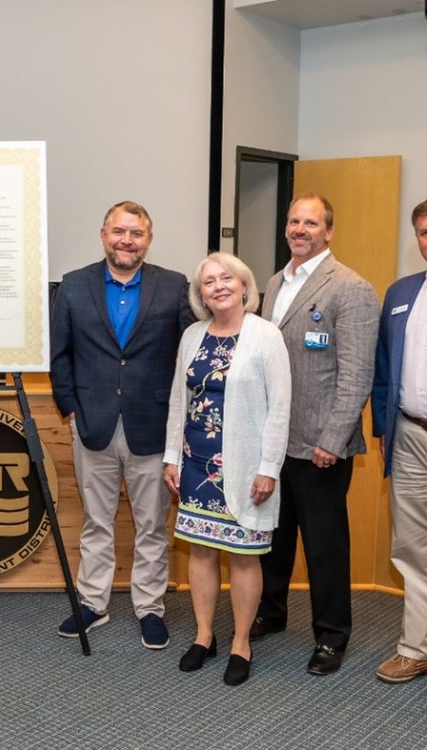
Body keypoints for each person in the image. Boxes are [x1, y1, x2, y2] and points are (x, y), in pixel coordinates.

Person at [50, 200, 194, 648]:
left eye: (136, 233)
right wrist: (70, 407)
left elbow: (190, 352)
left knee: (152, 526)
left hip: (151, 425)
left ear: (148, 240)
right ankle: (92, 602)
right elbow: (60, 355)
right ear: (103, 234)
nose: (126, 240)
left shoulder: (174, 287)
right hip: (92, 424)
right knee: (97, 521)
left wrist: (180, 419)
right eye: (119, 231)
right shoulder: (74, 286)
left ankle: (149, 607)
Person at [254, 193, 379, 676]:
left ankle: (331, 635)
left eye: (311, 222)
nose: (299, 229)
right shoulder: (272, 282)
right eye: (293, 221)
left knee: (325, 544)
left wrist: (333, 437)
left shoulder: (351, 288)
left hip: (321, 443)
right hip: (276, 439)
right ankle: (271, 610)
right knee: (275, 535)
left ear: (328, 231)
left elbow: (355, 373)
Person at [163, 253, 291, 685]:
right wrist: (170, 457)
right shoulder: (192, 335)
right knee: (200, 551)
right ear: (200, 294)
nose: (217, 286)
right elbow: (178, 401)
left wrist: (269, 467)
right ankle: (203, 636)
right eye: (208, 282)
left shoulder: (266, 335)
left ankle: (240, 642)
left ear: (243, 285)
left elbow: (280, 408)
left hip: (243, 466)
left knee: (243, 555)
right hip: (195, 463)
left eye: (226, 279)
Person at [371, 199, 427, 683]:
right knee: (410, 547)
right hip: (408, 434)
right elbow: (383, 368)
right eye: (425, 231)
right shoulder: (401, 293)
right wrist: (385, 432)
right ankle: (415, 647)